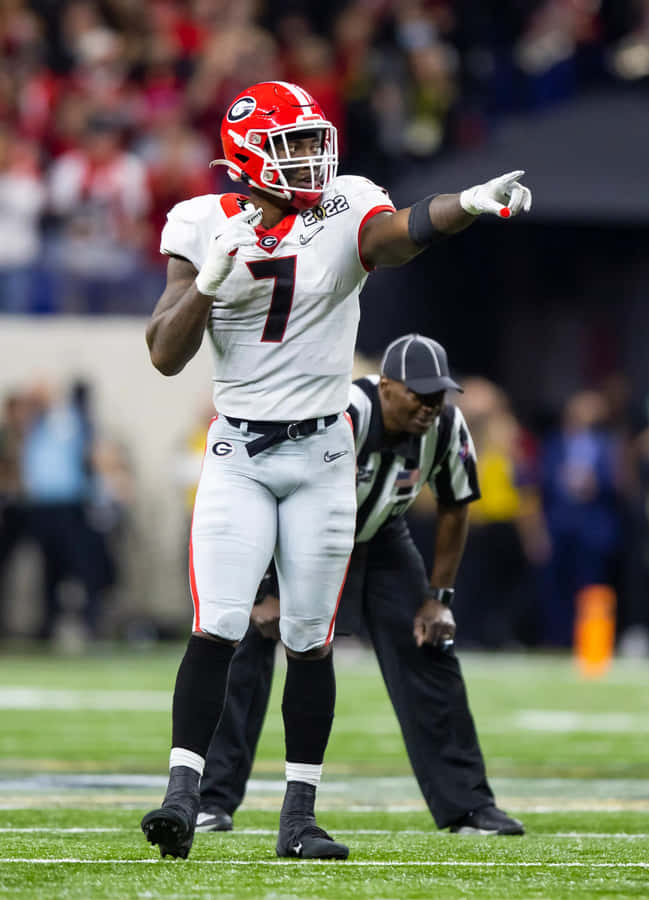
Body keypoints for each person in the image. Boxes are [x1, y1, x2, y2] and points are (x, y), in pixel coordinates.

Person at [140, 80, 531, 862]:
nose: (311, 156)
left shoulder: (343, 203)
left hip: (323, 454)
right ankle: (182, 798)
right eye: (290, 144)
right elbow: (163, 352)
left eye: (313, 139)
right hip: (240, 455)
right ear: (247, 152)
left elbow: (399, 233)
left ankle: (299, 816)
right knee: (218, 624)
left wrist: (470, 203)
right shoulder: (201, 222)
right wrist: (210, 281)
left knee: (308, 640)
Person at [197, 334, 524, 837]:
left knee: (430, 651)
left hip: (378, 535)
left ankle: (468, 806)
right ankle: (210, 800)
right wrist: (267, 588)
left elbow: (456, 504)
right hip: (293, 533)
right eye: (418, 393)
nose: (429, 406)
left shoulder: (446, 425)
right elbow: (279, 487)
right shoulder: (341, 414)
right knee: (247, 643)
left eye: (437, 395)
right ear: (386, 386)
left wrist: (439, 600)